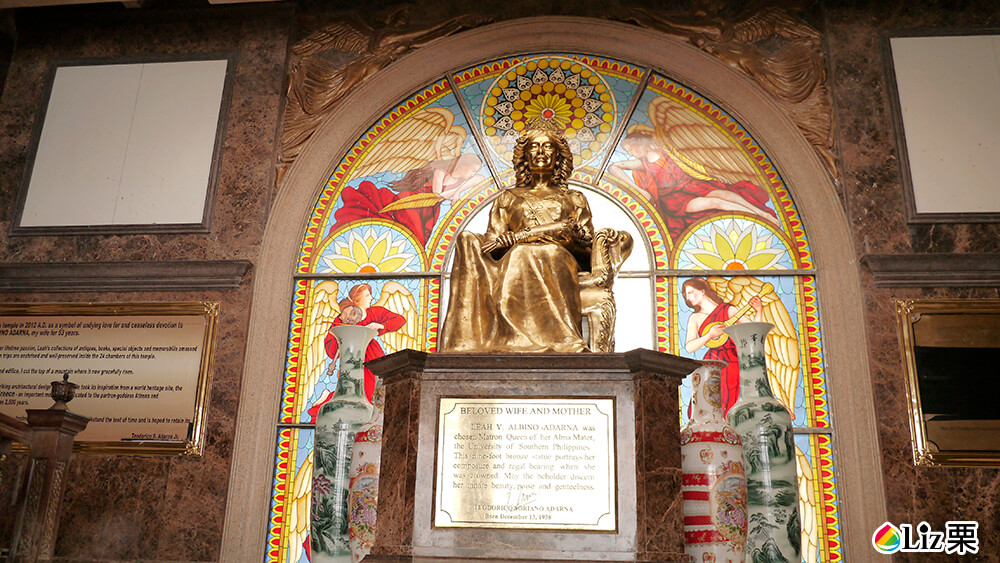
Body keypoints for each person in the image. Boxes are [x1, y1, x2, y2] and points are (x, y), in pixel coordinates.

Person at [440, 127, 594, 353]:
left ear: (558, 157)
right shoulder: (508, 198)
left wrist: (552, 236)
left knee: (538, 252)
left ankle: (562, 338)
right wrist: (503, 241)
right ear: (525, 157)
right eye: (534, 147)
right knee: (517, 253)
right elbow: (492, 245)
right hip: (514, 258)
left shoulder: (573, 199)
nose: (541, 152)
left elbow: (587, 247)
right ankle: (512, 337)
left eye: (547, 147)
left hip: (559, 258)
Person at [607, 129, 778, 240]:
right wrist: (638, 190)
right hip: (677, 200)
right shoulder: (642, 163)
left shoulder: (668, 151)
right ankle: (759, 219)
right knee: (716, 202)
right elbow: (613, 167)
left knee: (724, 194)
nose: (630, 152)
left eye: (630, 147)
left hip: (693, 185)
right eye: (628, 150)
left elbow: (691, 160)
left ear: (640, 142)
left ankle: (761, 213)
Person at [682, 277, 762, 416]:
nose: (688, 297)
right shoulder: (695, 318)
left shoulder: (728, 310)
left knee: (734, 399)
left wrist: (759, 311)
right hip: (712, 363)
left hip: (734, 361)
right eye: (686, 294)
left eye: (691, 292)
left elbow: (752, 332)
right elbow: (689, 347)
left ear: (702, 291)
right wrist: (709, 335)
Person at [321, 284, 405, 405]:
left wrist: (381, 326)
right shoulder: (344, 317)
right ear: (356, 299)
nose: (371, 298)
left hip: (373, 355)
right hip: (353, 357)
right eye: (367, 295)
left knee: (377, 387)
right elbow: (331, 345)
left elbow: (400, 319)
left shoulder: (375, 312)